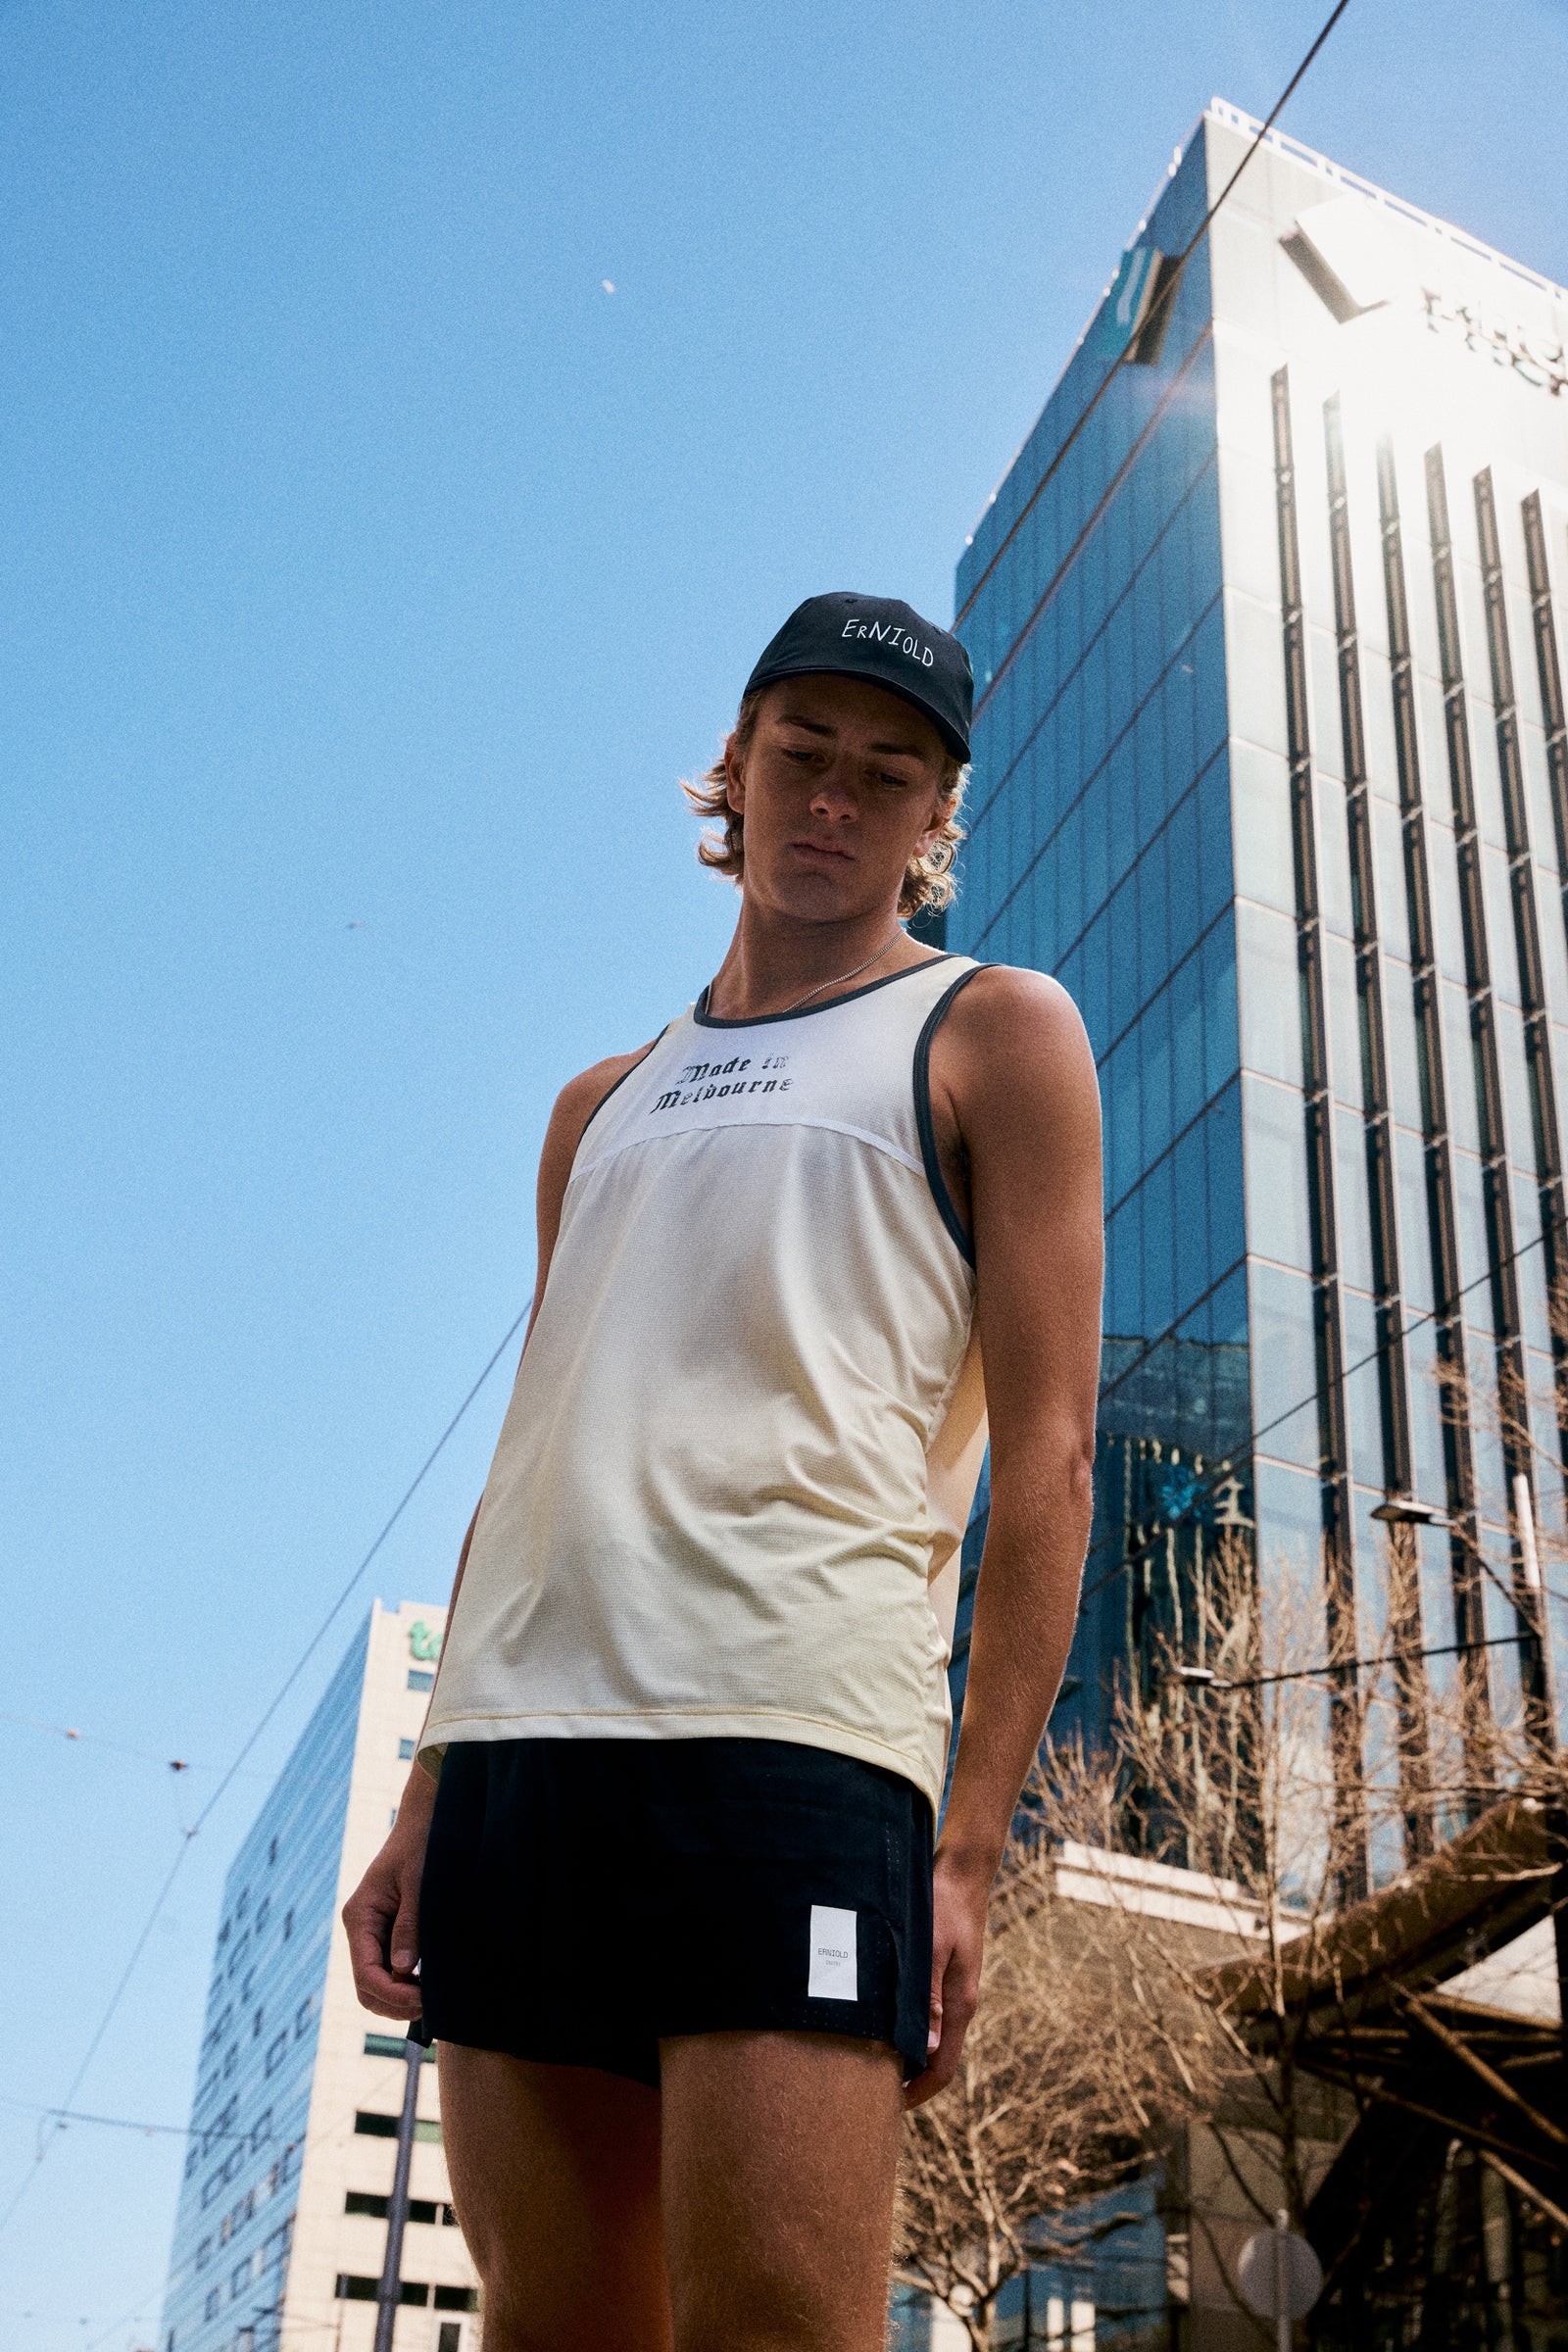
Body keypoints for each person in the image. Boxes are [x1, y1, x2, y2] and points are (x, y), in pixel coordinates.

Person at [343, 591, 1102, 2352]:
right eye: (803, 754)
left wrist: (973, 1844)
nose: (834, 798)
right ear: (737, 769)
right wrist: (427, 1788)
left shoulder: (995, 1032)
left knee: (776, 2325)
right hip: (526, 1754)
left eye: (886, 775)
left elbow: (1054, 1456)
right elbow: (531, 1457)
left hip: (794, 1743)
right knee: (553, 2326)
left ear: (935, 819)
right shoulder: (595, 1106)